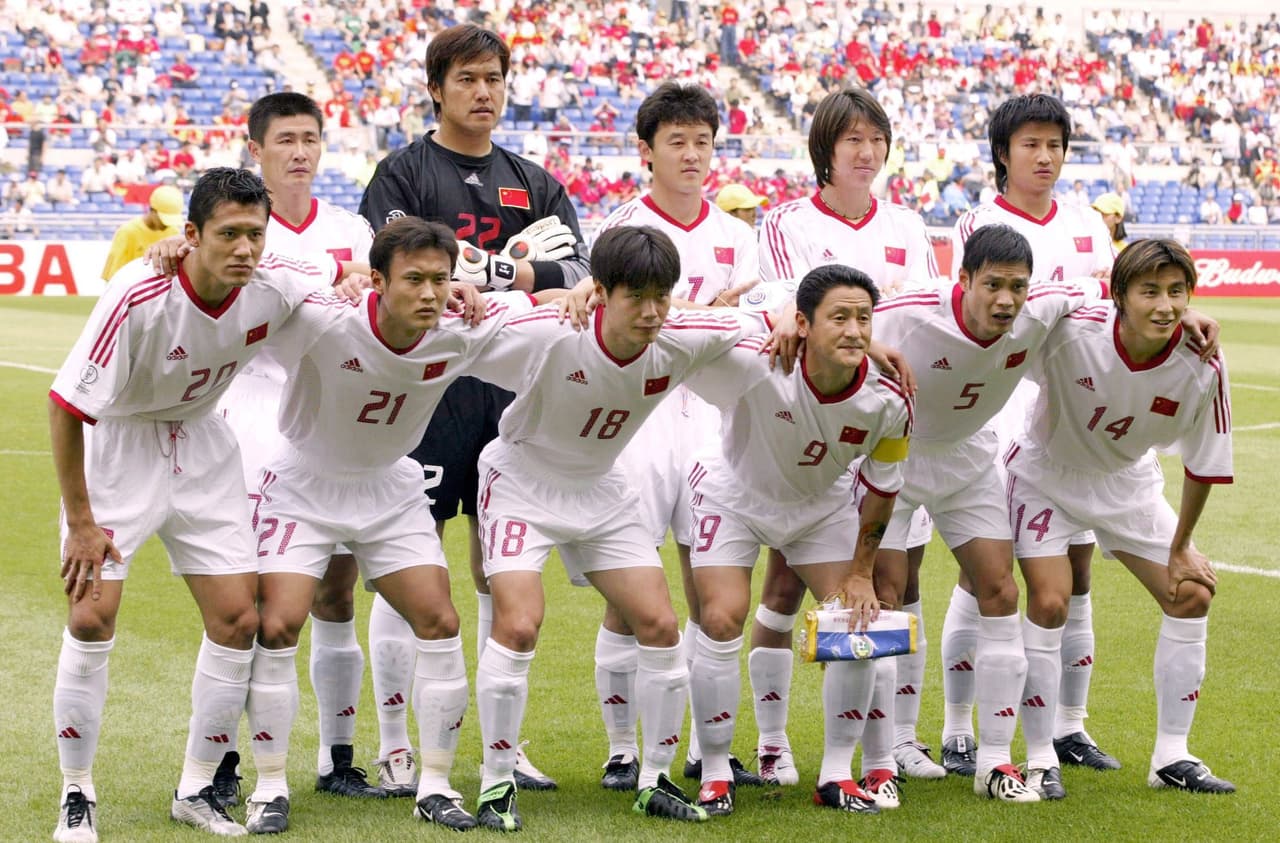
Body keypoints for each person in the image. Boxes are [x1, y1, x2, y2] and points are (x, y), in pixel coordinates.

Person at [240, 218, 562, 833]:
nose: (430, 293)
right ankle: (269, 786)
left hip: (389, 488)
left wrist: (581, 292)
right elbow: (257, 278)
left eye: (441, 279)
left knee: (440, 622)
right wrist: (332, 272)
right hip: (303, 484)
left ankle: (434, 786)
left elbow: (548, 316)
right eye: (413, 279)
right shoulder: (326, 319)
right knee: (277, 625)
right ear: (378, 280)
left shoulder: (460, 328)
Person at [48, 168, 332, 842]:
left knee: (237, 620)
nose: (244, 248)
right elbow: (65, 406)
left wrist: (350, 280)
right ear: (192, 235)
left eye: (254, 234)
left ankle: (196, 788)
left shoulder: (275, 280)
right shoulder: (138, 292)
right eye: (228, 234)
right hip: (120, 447)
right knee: (91, 617)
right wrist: (82, 522)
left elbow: (337, 271)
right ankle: (76, 793)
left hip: (204, 446)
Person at [357, 23, 590, 795]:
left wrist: (496, 272)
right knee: (409, 561)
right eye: (466, 78)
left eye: (493, 78)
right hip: (425, 390)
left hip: (512, 393)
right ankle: (396, 746)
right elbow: (398, 258)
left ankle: (502, 745)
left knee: (501, 566)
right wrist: (516, 266)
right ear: (436, 88)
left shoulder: (534, 180)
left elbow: (579, 273)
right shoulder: (402, 173)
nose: (483, 91)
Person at [465, 225, 755, 831]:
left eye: (661, 297)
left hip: (602, 489)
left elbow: (760, 320)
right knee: (518, 624)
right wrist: (506, 292)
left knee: (661, 625)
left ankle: (654, 780)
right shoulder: (552, 331)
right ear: (600, 291)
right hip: (521, 482)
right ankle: (495, 784)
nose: (651, 313)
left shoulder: (678, 337)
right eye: (636, 298)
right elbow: (464, 315)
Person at [750, 87, 943, 793]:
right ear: (825, 151)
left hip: (887, 418)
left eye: (876, 139)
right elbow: (784, 303)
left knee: (892, 584)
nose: (866, 152)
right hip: (812, 424)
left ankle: (894, 747)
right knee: (783, 585)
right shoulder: (786, 222)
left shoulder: (908, 225)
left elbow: (926, 313)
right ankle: (772, 744)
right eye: (852, 139)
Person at [1006, 238, 1235, 796]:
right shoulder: (1072, 330)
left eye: (1177, 292)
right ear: (1119, 296)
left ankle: (1172, 756)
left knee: (1191, 593)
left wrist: (1181, 547)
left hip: (1126, 481)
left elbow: (1204, 466)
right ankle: (1040, 756)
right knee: (1050, 601)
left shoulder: (1202, 361)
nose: (1165, 305)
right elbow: (1010, 314)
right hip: (1046, 474)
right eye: (1149, 291)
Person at [686, 264, 910, 817]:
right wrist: (777, 311)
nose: (855, 330)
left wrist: (861, 573)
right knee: (721, 619)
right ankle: (715, 772)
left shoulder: (889, 399)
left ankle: (836, 775)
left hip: (819, 507)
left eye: (864, 319)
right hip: (732, 495)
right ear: (804, 324)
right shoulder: (756, 354)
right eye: (840, 318)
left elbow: (882, 490)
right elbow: (689, 321)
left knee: (857, 622)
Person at [593, 80, 761, 792]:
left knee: (709, 590)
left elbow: (757, 324)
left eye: (703, 142)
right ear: (646, 150)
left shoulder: (739, 237)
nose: (692, 155)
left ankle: (703, 748)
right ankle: (621, 749)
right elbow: (604, 321)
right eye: (677, 142)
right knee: (629, 594)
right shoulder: (621, 229)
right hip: (642, 420)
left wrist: (723, 315)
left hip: (717, 424)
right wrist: (698, 314)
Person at [948, 94, 1118, 777]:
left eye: (1054, 145)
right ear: (1003, 153)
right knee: (981, 574)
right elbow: (981, 320)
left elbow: (1110, 306)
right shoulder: (979, 223)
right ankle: (957, 729)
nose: (1045, 157)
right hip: (1000, 411)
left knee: (1077, 572)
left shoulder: (1086, 224)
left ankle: (1070, 726)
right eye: (1030, 144)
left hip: (1071, 418)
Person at [100, 185, 184, 281]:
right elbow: (114, 277)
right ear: (152, 210)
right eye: (164, 219)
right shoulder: (127, 232)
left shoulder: (173, 232)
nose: (167, 225)